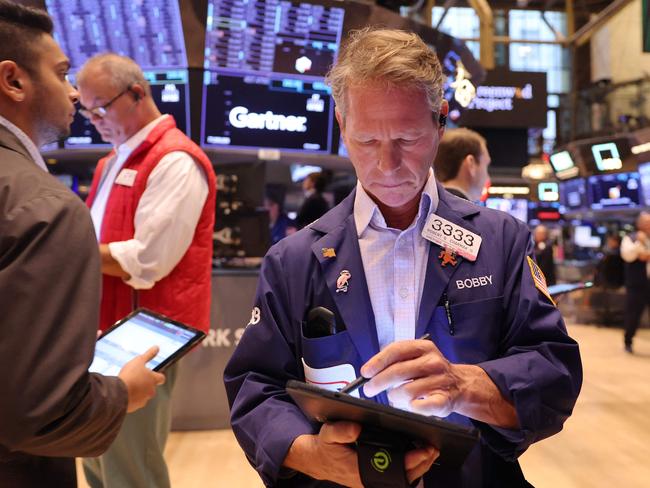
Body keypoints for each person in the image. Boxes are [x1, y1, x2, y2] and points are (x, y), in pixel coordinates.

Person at [224, 27, 582, 487]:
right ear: (341, 125)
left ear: (440, 121)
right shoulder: (293, 261)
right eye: (368, 141)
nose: (388, 165)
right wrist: (311, 454)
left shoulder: (500, 241)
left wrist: (463, 385)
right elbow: (255, 386)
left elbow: (554, 373)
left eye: (408, 139)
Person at [0, 2, 164, 486]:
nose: (73, 94)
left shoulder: (175, 159)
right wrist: (122, 393)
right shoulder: (44, 206)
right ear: (13, 81)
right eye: (63, 74)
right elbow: (37, 414)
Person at [75, 54, 216, 488]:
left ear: (138, 93)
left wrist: (67, 250)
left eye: (101, 107)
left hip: (144, 335)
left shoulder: (175, 160)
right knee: (97, 458)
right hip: (104, 329)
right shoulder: (111, 160)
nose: (93, 118)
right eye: (86, 109)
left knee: (129, 466)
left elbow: (147, 262)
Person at [433, 127, 491, 201]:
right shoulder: (472, 211)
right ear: (471, 164)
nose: (488, 178)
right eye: (486, 166)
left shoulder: (425, 208)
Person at [620, 212, 650, 353]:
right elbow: (628, 256)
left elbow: (645, 256)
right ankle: (628, 342)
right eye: (645, 222)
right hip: (636, 284)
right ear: (639, 224)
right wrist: (640, 243)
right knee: (633, 314)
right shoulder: (630, 238)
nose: (648, 225)